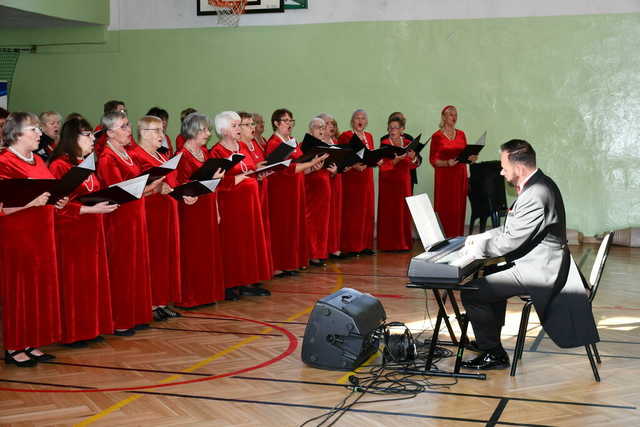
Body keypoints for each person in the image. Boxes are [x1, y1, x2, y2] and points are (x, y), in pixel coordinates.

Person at [459, 139, 599, 370]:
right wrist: (483, 238)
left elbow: (511, 241)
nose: (501, 171)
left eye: (504, 166)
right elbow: (514, 230)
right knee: (490, 273)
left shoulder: (536, 193)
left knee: (473, 293)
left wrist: (476, 249)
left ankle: (493, 353)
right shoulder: (539, 184)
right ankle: (490, 342)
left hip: (540, 270)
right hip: (540, 262)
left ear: (519, 168)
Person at [0, 112, 70, 366]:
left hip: (42, 233)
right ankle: (14, 346)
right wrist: (29, 204)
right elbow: (4, 207)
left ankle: (31, 341)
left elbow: (47, 191)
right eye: (33, 129)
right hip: (18, 236)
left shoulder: (37, 161)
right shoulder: (4, 162)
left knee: (38, 290)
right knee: (19, 291)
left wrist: (57, 199)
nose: (39, 133)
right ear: (16, 133)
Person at [49, 118, 118, 346]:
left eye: (91, 135)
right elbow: (56, 205)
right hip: (71, 232)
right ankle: (72, 333)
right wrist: (87, 209)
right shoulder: (60, 165)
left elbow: (91, 191)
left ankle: (90, 327)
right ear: (73, 139)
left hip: (92, 228)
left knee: (91, 280)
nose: (92, 140)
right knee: (74, 282)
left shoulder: (87, 162)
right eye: (87, 136)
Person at [97, 111, 160, 336]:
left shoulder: (126, 152)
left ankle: (135, 314)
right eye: (123, 126)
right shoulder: (107, 157)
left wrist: (150, 183)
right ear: (110, 132)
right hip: (120, 219)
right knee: (123, 268)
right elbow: (118, 190)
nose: (128, 130)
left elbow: (135, 181)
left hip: (135, 214)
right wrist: (150, 186)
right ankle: (120, 319)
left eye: (128, 125)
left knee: (137, 266)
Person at [130, 115, 187, 321]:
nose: (162, 135)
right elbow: (136, 186)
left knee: (165, 257)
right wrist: (155, 188)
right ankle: (151, 303)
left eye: (162, 130)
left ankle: (162, 301)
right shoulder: (136, 155)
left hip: (166, 212)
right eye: (157, 131)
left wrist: (182, 192)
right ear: (143, 133)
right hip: (150, 212)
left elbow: (174, 181)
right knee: (153, 257)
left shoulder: (162, 156)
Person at [210, 111, 272, 298]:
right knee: (233, 244)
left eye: (239, 125)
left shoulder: (243, 147)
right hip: (231, 206)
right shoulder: (217, 152)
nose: (239, 129)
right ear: (222, 130)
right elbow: (216, 183)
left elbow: (250, 169)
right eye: (235, 126)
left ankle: (247, 281)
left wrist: (259, 173)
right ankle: (229, 285)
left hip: (249, 204)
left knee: (248, 243)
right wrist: (237, 179)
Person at [265, 108, 326, 276]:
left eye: (291, 121)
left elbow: (300, 168)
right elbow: (286, 169)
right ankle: (278, 265)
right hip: (281, 190)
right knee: (282, 227)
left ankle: (290, 263)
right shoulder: (274, 143)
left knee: (293, 226)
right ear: (276, 123)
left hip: (296, 187)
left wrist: (313, 167)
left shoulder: (292, 140)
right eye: (285, 121)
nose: (289, 124)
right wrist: (312, 162)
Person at [173, 113, 226, 306]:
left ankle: (207, 293)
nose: (208, 133)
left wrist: (217, 210)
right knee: (194, 252)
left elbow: (212, 184)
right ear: (192, 130)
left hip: (207, 206)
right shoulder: (181, 155)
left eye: (208, 129)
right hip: (192, 209)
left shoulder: (205, 153)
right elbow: (179, 185)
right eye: (203, 129)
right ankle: (191, 296)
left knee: (208, 251)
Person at [429, 105, 477, 238]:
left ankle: (458, 238)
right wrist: (446, 163)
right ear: (443, 117)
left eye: (455, 114)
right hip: (444, 177)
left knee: (458, 208)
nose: (454, 117)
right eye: (451, 114)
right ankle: (443, 238)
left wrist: (471, 158)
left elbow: (465, 155)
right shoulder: (437, 136)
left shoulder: (461, 134)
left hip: (460, 176)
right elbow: (433, 160)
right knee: (445, 208)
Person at [338, 109, 376, 256]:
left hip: (366, 176)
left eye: (363, 118)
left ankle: (365, 245)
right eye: (357, 118)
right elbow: (342, 157)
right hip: (352, 178)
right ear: (352, 121)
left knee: (367, 210)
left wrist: (374, 160)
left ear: (366, 122)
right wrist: (354, 165)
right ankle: (352, 246)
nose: (360, 121)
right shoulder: (346, 136)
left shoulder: (369, 136)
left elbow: (370, 154)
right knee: (353, 212)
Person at [377, 116, 418, 251]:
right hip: (388, 183)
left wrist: (413, 159)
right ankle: (388, 244)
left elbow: (413, 165)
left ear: (402, 130)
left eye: (395, 128)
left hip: (404, 182)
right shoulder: (385, 142)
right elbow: (382, 166)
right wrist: (396, 160)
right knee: (389, 212)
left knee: (403, 212)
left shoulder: (407, 142)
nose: (392, 130)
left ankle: (403, 244)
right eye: (390, 127)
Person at [304, 117, 337, 265]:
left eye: (323, 128)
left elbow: (331, 168)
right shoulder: (304, 146)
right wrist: (311, 168)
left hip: (324, 189)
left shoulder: (327, 147)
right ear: (310, 131)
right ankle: (311, 254)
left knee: (323, 223)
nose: (322, 131)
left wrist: (335, 171)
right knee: (311, 222)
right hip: (311, 189)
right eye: (318, 128)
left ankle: (320, 252)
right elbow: (299, 171)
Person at [317, 113, 343, 259]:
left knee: (335, 214)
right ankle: (323, 248)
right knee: (323, 216)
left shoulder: (335, 141)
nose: (331, 126)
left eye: (333, 123)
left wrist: (338, 169)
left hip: (335, 179)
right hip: (322, 181)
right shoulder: (316, 143)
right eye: (328, 123)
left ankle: (333, 246)